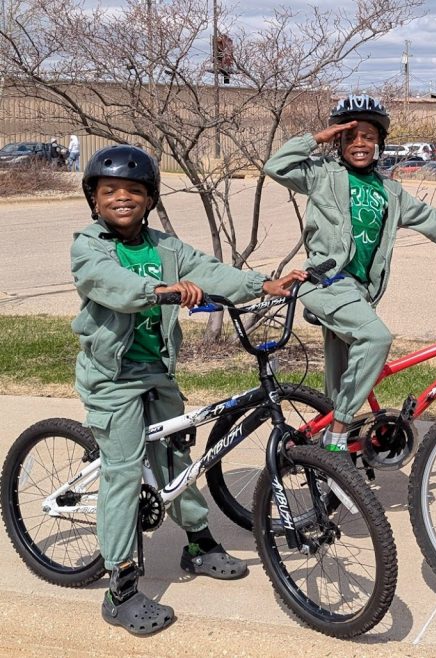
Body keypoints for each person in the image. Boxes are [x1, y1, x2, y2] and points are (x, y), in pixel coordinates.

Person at [71, 144, 307, 635]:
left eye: (134, 191)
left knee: (179, 458)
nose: (121, 198)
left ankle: (198, 543)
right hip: (112, 381)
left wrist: (263, 285)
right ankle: (121, 587)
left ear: (150, 199)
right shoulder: (89, 245)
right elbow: (105, 282)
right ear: (94, 200)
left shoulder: (166, 248)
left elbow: (210, 271)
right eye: (109, 191)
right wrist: (162, 292)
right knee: (122, 470)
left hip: (157, 373)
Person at [264, 95, 436, 451]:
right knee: (375, 339)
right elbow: (275, 165)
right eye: (351, 136)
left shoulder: (391, 191)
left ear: (380, 144)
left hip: (358, 292)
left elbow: (431, 219)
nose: (360, 143)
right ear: (339, 141)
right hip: (324, 281)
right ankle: (337, 437)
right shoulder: (322, 176)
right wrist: (319, 137)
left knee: (341, 383)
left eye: (369, 137)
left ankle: (327, 467)